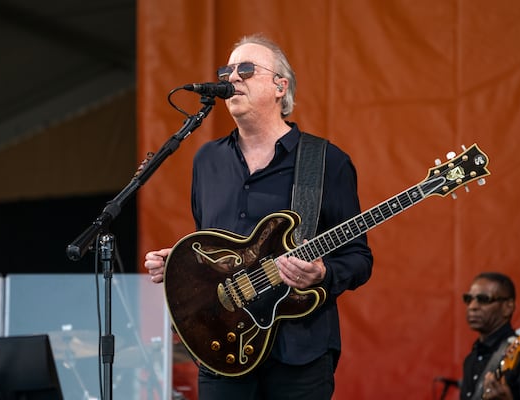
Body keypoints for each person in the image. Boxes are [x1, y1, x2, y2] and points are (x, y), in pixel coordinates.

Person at [144, 33, 373, 400]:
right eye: (228, 70)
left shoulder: (327, 162)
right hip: (221, 348)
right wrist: (182, 262)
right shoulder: (207, 161)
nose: (232, 78)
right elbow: (214, 243)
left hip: (299, 352)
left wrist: (323, 272)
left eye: (246, 69)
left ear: (280, 86)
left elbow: (359, 258)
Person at [460, 272, 520, 400]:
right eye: (468, 299)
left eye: (483, 299)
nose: (472, 307)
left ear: (508, 307)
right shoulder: (471, 359)